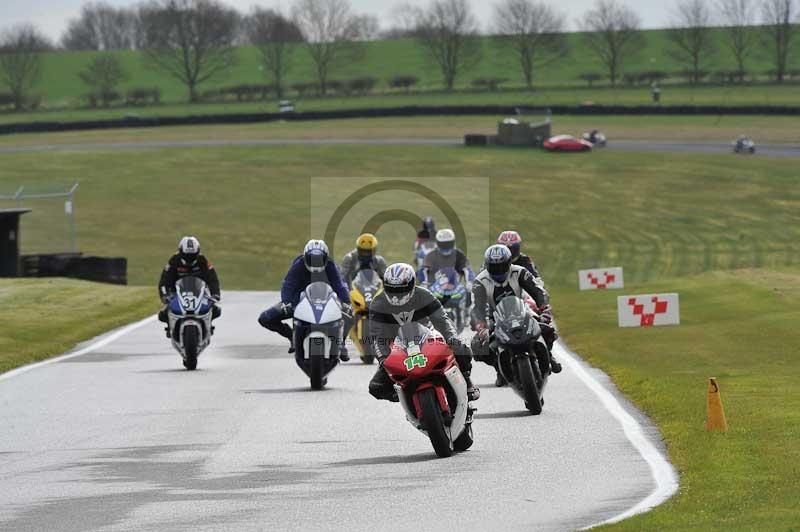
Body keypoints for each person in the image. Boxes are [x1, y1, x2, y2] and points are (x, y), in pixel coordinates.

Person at [367, 263, 479, 402]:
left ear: (412, 285)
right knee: (376, 387)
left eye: (401, 290)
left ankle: (467, 381)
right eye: (391, 289)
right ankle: (406, 397)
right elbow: (377, 336)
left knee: (461, 350)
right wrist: (383, 358)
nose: (396, 295)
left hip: (427, 338)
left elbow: (442, 320)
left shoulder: (424, 295)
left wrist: (451, 339)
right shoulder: (378, 303)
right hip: (397, 347)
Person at [471, 245, 561, 387]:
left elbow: (537, 291)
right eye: (495, 267)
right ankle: (499, 368)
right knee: (478, 346)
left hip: (522, 311)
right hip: (496, 317)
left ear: (509, 263)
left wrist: (544, 308)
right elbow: (476, 308)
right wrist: (481, 325)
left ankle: (548, 356)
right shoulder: (480, 281)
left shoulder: (519, 272)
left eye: (502, 266)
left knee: (547, 329)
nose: (499, 270)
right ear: (487, 265)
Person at [258, 239, 353, 361]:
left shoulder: (331, 266)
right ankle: (292, 336)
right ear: (305, 257)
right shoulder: (298, 264)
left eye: (319, 260)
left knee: (349, 314)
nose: (316, 263)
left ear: (325, 258)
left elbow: (340, 286)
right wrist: (287, 302)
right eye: (312, 259)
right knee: (265, 318)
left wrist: (347, 303)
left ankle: (340, 343)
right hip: (299, 301)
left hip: (327, 301)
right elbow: (288, 285)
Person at [158, 236, 221, 330]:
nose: (189, 258)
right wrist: (164, 295)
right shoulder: (174, 260)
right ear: (181, 252)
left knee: (216, 310)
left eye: (192, 255)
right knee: (163, 314)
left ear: (197, 252)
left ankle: (208, 327)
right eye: (187, 255)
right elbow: (164, 279)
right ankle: (170, 328)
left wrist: (215, 293)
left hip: (200, 292)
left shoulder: (202, 260)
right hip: (177, 293)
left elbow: (212, 278)